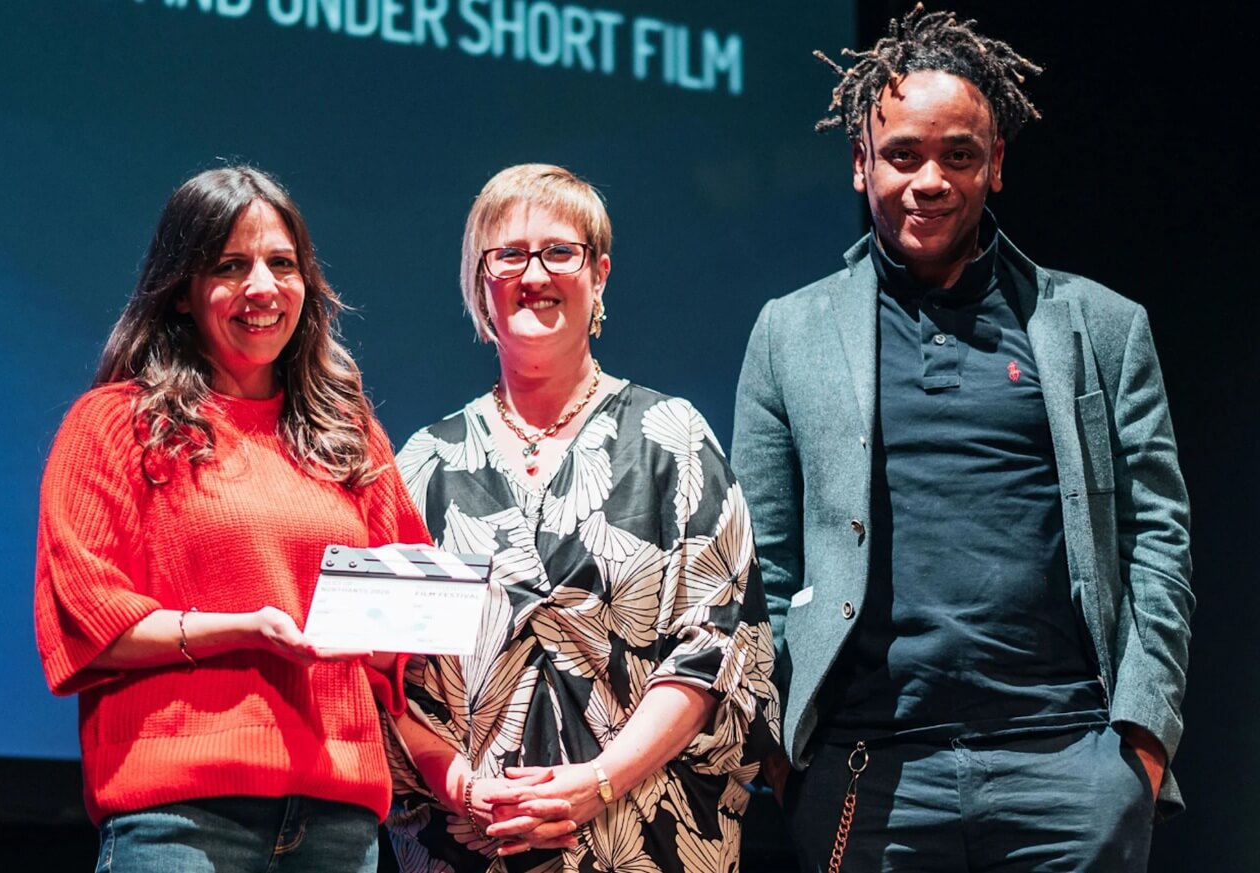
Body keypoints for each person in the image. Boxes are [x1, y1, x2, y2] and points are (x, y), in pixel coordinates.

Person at [731, 6, 1193, 871]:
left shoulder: (1099, 324)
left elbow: (1159, 538)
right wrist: (783, 754)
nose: (930, 179)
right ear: (862, 164)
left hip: (1069, 765)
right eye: (903, 153)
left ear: (998, 164)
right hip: (865, 773)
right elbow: (763, 562)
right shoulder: (788, 332)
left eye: (958, 155)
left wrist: (1141, 740)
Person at [382, 163, 779, 872]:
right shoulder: (423, 465)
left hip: (647, 838)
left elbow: (714, 646)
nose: (534, 272)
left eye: (559, 251)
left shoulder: (672, 439)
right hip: (471, 844)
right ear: (481, 283)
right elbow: (385, 676)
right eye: (509, 254)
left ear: (598, 274)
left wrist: (598, 783)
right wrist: (461, 786)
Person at [34, 166, 431, 872]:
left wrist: (408, 620)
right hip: (181, 821)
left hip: (338, 824)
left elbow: (405, 599)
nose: (262, 287)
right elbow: (86, 619)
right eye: (230, 265)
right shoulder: (115, 425)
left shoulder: (348, 434)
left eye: (283, 264)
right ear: (181, 292)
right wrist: (244, 629)